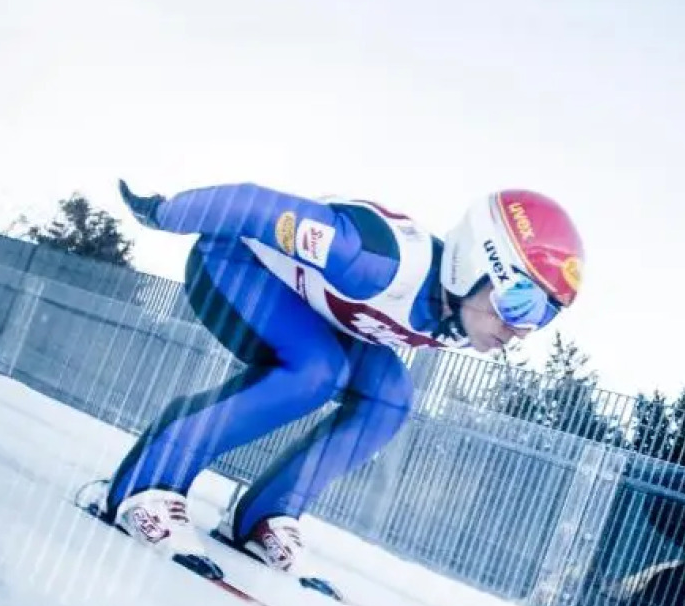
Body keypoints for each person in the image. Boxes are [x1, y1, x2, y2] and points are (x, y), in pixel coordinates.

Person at [94, 178, 586, 585]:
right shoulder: (376, 262)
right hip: (233, 264)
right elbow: (255, 206)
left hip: (314, 307)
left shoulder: (464, 316)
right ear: (476, 263)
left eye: (544, 316)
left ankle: (266, 513)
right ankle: (149, 484)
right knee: (316, 372)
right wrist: (164, 212)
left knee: (390, 399)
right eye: (521, 302)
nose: (522, 329)